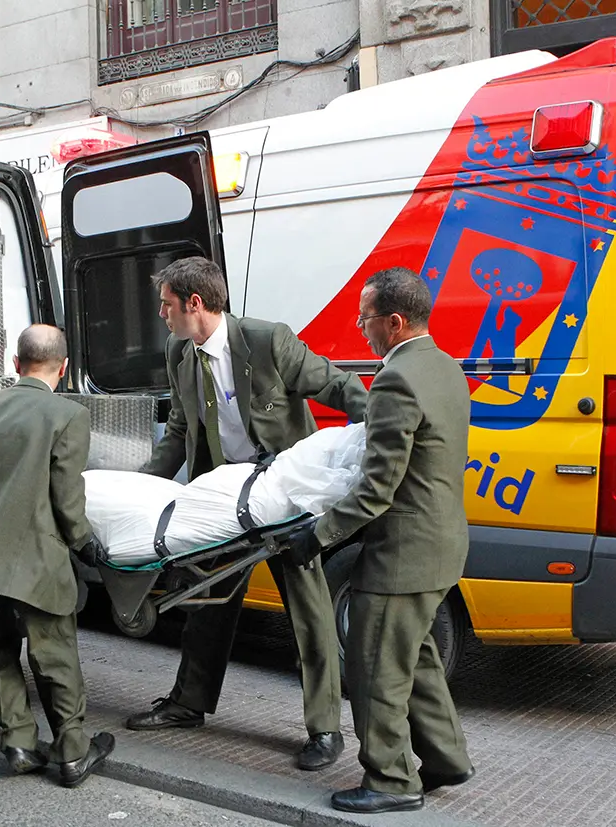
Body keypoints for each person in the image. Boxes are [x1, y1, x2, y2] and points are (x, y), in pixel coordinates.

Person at [128, 256, 368, 771]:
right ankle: (188, 704)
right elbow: (177, 430)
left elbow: (337, 386)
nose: (161, 315)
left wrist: (381, 432)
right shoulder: (179, 352)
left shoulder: (266, 341)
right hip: (221, 503)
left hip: (282, 501)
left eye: (166, 305)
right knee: (206, 603)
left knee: (309, 614)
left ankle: (325, 730)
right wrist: (142, 487)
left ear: (195, 303)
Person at [284, 267, 475, 813]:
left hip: (403, 555)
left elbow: (377, 487)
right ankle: (445, 759)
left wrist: (318, 536)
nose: (360, 326)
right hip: (441, 544)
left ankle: (391, 782)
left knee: (374, 668)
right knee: (415, 658)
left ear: (393, 322)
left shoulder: (397, 379)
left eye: (366, 317)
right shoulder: (445, 367)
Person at [0, 324, 114, 788]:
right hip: (38, 555)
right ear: (62, 369)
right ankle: (74, 752)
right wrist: (85, 544)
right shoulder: (68, 415)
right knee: (54, 650)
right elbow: (66, 498)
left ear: (15, 364)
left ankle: (18, 740)